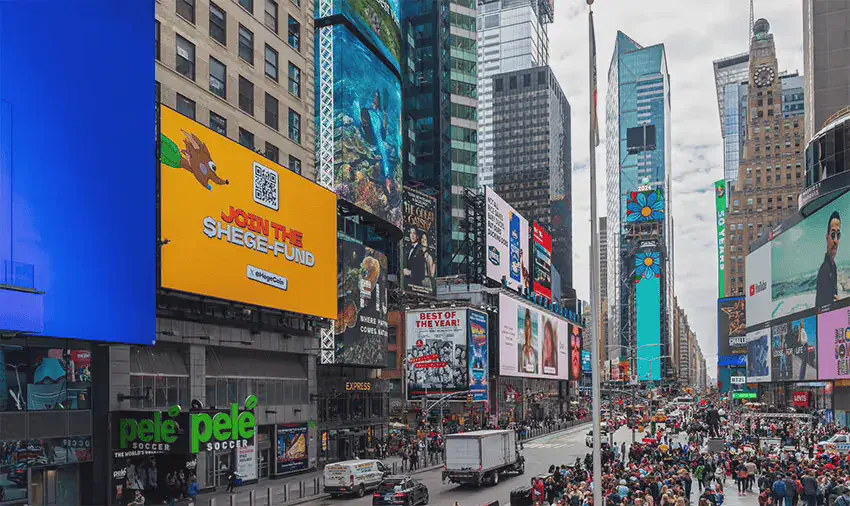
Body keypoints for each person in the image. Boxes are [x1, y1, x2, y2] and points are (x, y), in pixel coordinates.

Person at [816, 210, 841, 308]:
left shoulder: (833, 266)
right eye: (833, 234)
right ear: (827, 237)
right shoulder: (824, 270)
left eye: (838, 235)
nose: (836, 241)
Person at [519, 308, 538, 374]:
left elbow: (528, 337)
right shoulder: (527, 328)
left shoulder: (529, 328)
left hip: (528, 348)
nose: (527, 325)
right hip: (527, 347)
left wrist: (528, 347)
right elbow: (528, 337)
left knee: (528, 366)